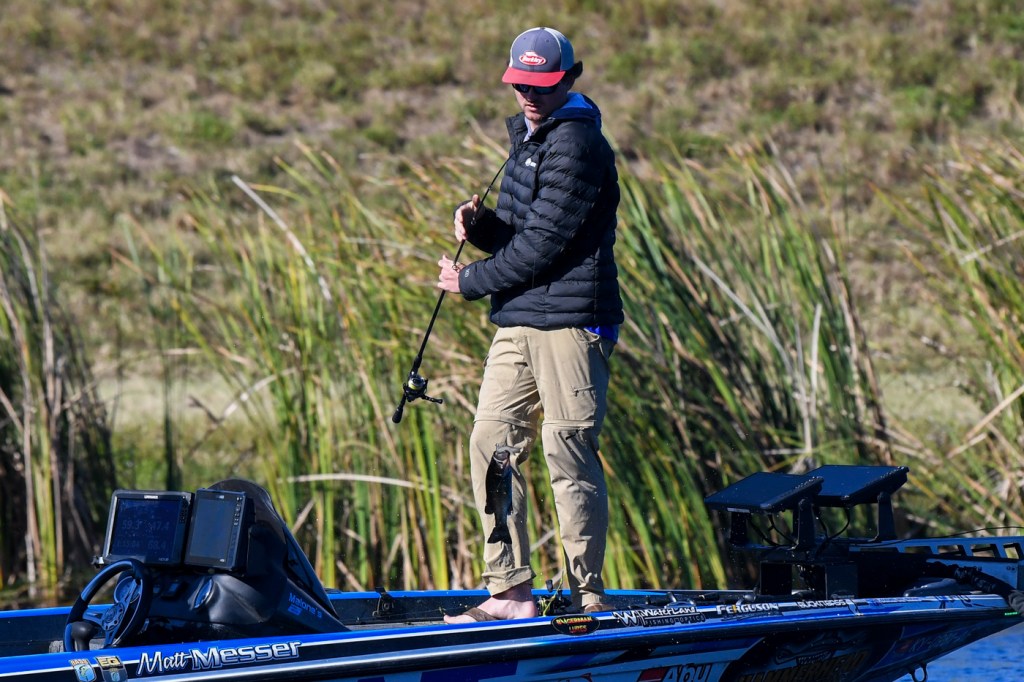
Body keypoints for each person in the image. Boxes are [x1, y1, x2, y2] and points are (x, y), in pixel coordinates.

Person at [437, 26, 623, 623]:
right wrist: (483, 228)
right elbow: (521, 235)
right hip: (519, 317)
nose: (528, 95)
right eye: (520, 84)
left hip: (573, 320)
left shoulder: (579, 144)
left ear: (568, 79)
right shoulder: (528, 137)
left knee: (566, 451)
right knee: (490, 441)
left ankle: (586, 596)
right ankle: (511, 591)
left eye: (540, 86)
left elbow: (546, 244)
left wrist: (469, 280)